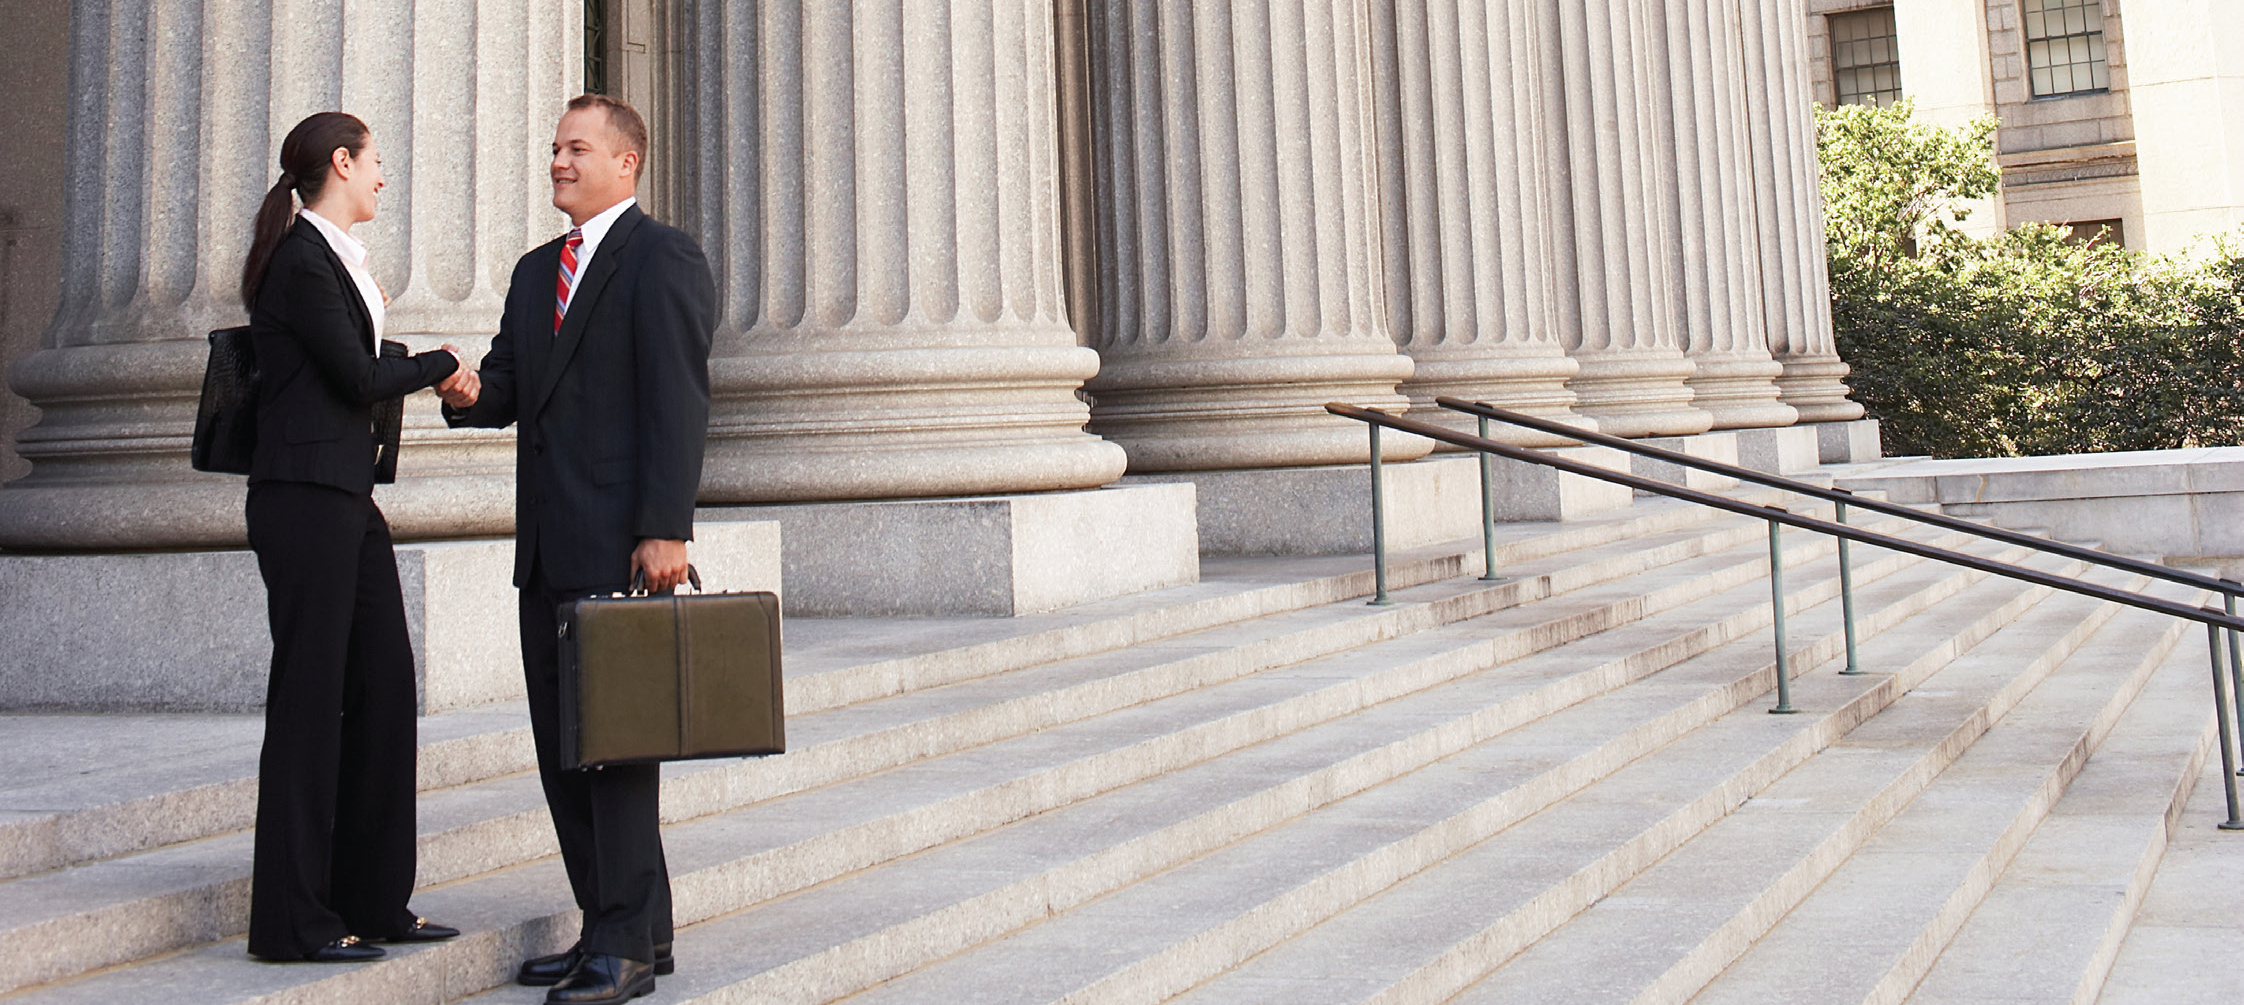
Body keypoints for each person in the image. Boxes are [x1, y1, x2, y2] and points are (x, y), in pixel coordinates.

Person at [439, 93, 714, 1005]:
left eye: (577, 147)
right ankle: (624, 924)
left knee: (618, 750)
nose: (558, 160)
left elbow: (677, 400)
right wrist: (458, 386)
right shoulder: (531, 273)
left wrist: (667, 526)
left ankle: (623, 950)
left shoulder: (661, 258)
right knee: (567, 750)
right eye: (554, 146)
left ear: (626, 162)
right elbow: (511, 388)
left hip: (622, 548)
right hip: (547, 551)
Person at [238, 111, 474, 963]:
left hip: (343, 496)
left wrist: (417, 358)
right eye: (375, 161)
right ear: (341, 163)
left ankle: (374, 898)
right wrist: (441, 364)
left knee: (383, 685)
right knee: (309, 704)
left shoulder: (332, 259)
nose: (382, 176)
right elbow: (356, 375)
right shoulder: (303, 259)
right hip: (303, 500)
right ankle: (293, 923)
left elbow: (351, 360)